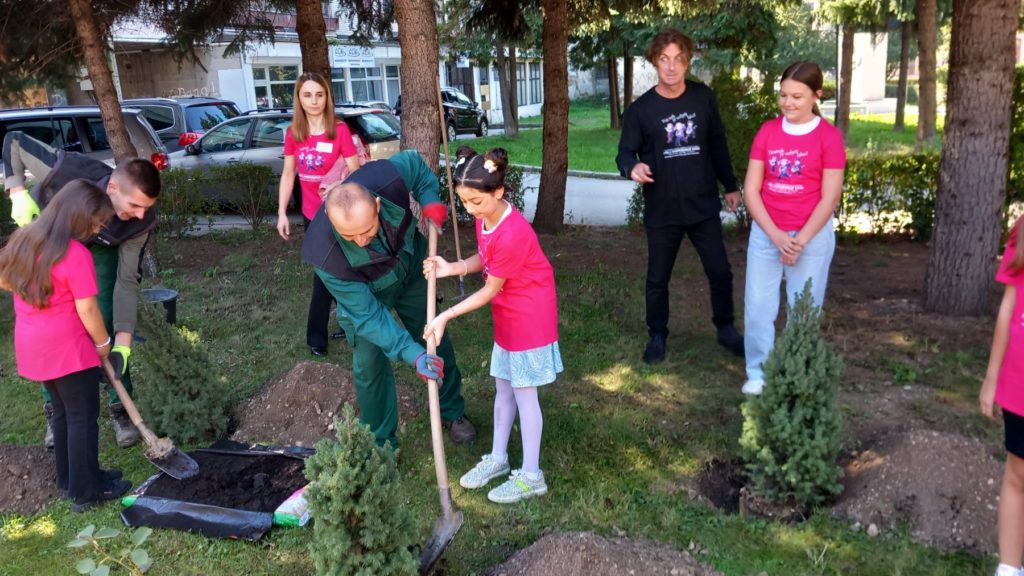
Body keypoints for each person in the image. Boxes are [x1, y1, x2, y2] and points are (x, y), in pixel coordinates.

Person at [301, 149, 476, 448]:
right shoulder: (325, 256)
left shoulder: (387, 178)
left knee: (434, 337)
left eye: (367, 230)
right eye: (349, 235)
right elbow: (370, 318)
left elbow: (419, 169)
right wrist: (412, 355)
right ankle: (382, 444)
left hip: (411, 271)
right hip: (367, 295)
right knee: (369, 365)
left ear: (378, 205)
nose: (360, 240)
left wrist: (430, 200)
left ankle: (452, 412)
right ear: (330, 219)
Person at [4, 131, 162, 447]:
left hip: (97, 251)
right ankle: (55, 410)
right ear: (113, 188)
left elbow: (127, 283)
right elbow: (15, 141)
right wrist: (17, 192)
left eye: (146, 207)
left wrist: (123, 344)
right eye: (134, 205)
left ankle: (120, 406)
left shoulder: (140, 223)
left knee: (99, 318)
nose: (140, 214)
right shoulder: (69, 169)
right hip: (47, 242)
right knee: (52, 325)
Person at [422, 147, 560, 504]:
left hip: (530, 316)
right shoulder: (489, 217)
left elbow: (489, 288)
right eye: (463, 202)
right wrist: (453, 267)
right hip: (509, 312)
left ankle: (532, 476)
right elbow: (486, 258)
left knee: (525, 394)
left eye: (475, 202)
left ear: (498, 192)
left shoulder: (513, 232)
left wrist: (445, 315)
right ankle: (498, 459)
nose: (469, 210)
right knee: (504, 388)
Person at [0, 180, 133, 512]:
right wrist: (104, 343)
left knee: (61, 413)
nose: (98, 228)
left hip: (34, 345)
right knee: (82, 416)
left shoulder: (24, 240)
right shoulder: (74, 254)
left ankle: (69, 478)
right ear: (78, 216)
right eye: (97, 222)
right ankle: (86, 491)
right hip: (68, 348)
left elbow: (5, 279)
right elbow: (88, 309)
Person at [615, 28, 744, 365]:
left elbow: (717, 143)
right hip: (663, 209)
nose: (671, 67)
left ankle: (726, 328)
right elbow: (624, 154)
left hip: (702, 205)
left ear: (687, 62)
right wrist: (632, 168)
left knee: (720, 271)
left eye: (678, 60)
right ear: (655, 62)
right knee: (658, 279)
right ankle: (657, 335)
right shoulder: (641, 110)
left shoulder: (703, 98)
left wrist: (729, 185)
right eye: (664, 60)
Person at [740, 61, 846, 396]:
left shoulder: (829, 137)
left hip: (810, 239)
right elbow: (751, 190)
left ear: (816, 95)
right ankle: (759, 373)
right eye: (783, 95)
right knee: (758, 307)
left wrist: (799, 240)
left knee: (804, 309)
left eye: (797, 96)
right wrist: (776, 236)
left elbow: (830, 196)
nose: (788, 103)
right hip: (767, 235)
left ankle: (795, 372)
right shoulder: (767, 132)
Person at [276, 71, 361, 357]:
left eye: (319, 94)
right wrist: (281, 213)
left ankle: (335, 328)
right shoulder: (293, 134)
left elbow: (355, 168)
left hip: (339, 211)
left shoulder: (339, 130)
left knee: (340, 269)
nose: (314, 101)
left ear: (327, 97)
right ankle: (321, 335)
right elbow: (289, 174)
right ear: (299, 99)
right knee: (325, 271)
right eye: (307, 95)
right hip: (313, 215)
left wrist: (339, 182)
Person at [981, 216, 1024, 576]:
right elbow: (1009, 307)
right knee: (1018, 475)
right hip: (1019, 384)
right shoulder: (1022, 231)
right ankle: (1009, 567)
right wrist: (992, 377)